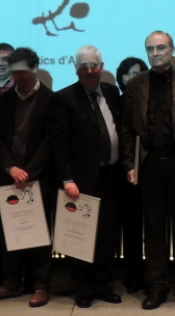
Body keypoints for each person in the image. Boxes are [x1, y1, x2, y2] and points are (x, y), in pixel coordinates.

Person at [120, 31, 175, 312]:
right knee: (154, 229)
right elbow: (126, 129)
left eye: (161, 48)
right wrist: (130, 164)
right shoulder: (136, 84)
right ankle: (158, 284)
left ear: (172, 49)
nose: (155, 53)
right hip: (149, 164)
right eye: (150, 49)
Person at [52, 45, 125, 308]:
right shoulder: (64, 98)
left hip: (112, 177)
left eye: (94, 65)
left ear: (102, 67)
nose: (90, 70)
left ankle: (103, 283)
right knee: (80, 236)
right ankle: (82, 287)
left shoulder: (112, 92)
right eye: (84, 66)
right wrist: (67, 179)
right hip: (80, 180)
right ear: (76, 69)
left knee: (107, 235)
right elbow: (60, 144)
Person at [0, 47, 55, 307]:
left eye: (23, 73)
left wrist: (30, 171)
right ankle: (10, 282)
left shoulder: (51, 99)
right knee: (7, 233)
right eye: (15, 73)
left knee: (39, 234)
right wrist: (10, 168)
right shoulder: (4, 101)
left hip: (39, 178)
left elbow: (50, 141)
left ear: (35, 68)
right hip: (9, 178)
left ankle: (41, 286)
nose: (18, 78)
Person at [114, 56, 148, 294]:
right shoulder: (114, 101)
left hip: (146, 171)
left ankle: (142, 275)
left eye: (137, 73)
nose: (132, 78)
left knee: (142, 227)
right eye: (128, 74)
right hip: (116, 172)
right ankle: (129, 274)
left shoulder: (148, 103)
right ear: (122, 78)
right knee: (125, 226)